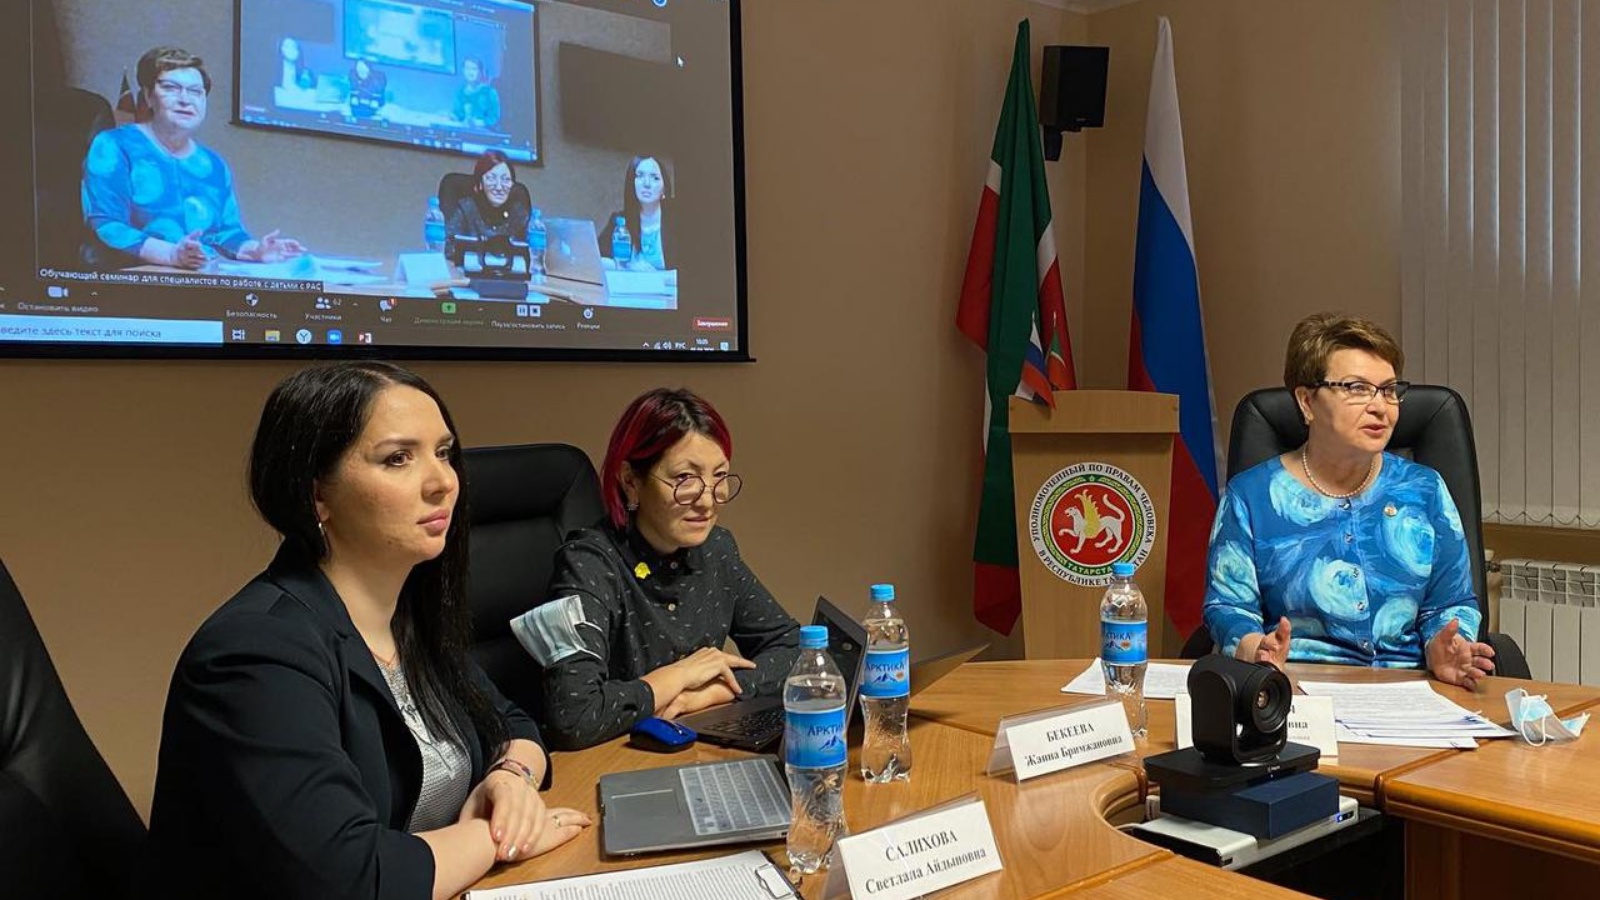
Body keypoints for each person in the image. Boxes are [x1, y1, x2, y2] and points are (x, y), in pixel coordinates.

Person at [146, 362, 589, 900]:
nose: (443, 481)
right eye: (398, 458)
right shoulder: (253, 653)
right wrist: (497, 838)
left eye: (444, 453)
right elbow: (349, 880)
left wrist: (511, 777)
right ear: (316, 495)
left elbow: (512, 722)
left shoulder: (404, 620)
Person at [1202, 313, 1496, 688]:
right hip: (1295, 689)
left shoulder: (1424, 489)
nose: (1380, 407)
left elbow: (1451, 603)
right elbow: (1228, 607)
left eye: (1389, 390)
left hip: (1411, 689)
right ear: (1307, 402)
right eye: (1357, 388)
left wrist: (1445, 645)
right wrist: (1255, 649)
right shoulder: (1252, 496)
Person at [516, 388, 800, 750]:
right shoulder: (589, 562)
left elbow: (795, 649)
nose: (707, 501)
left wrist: (713, 692)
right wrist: (677, 676)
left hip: (684, 748)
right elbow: (574, 716)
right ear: (630, 481)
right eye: (684, 479)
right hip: (609, 758)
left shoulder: (717, 549)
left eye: (719, 477)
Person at [82, 46, 305, 270]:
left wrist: (256, 250)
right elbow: (107, 223)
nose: (185, 99)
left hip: (197, 276)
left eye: (196, 92)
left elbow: (226, 233)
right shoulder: (114, 145)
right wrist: (172, 255)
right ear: (148, 96)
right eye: (171, 88)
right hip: (132, 277)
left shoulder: (214, 164)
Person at [444, 150, 529, 262]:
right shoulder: (466, 209)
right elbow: (449, 251)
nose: (499, 187)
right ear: (480, 184)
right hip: (470, 271)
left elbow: (533, 255)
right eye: (491, 178)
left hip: (509, 272)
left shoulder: (519, 214)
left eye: (506, 180)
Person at [599, 155, 673, 271]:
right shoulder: (620, 221)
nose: (646, 184)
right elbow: (595, 258)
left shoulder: (679, 221)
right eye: (640, 176)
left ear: (664, 188)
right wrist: (628, 267)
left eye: (655, 178)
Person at [453, 57, 501, 129]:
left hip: (485, 133)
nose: (470, 72)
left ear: (480, 72)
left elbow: (494, 118)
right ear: (463, 71)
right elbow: (458, 114)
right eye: (467, 68)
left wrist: (477, 123)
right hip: (464, 131)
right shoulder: (460, 92)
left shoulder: (489, 92)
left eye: (474, 69)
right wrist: (453, 117)